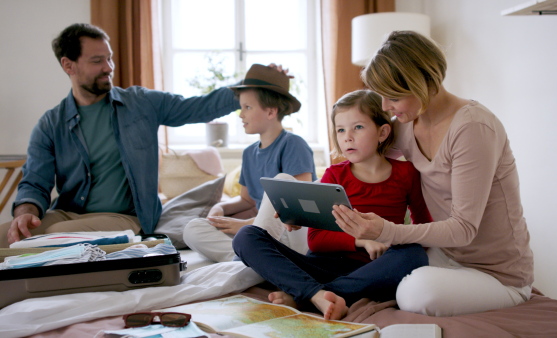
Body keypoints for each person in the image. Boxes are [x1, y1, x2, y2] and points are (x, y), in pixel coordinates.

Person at [333, 30, 535, 317]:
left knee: (414, 291)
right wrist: (306, 205)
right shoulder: (406, 124)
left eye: (393, 97)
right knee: (392, 262)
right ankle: (317, 292)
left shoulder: (473, 128)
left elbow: (464, 228)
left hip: (497, 274)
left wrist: (386, 231)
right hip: (444, 255)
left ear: (423, 82)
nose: (385, 107)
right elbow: (361, 163)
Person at [0, 22, 245, 248]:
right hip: (68, 213)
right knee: (9, 235)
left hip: (124, 217)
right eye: (97, 61)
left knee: (55, 235)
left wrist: (253, 85)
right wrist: (26, 213)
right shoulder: (51, 124)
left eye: (110, 58)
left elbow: (200, 107)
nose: (108, 68)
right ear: (68, 65)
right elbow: (35, 182)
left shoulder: (141, 104)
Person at [232, 89, 431, 320]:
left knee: (414, 254)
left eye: (358, 127)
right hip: (320, 267)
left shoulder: (406, 173)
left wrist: (389, 240)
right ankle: (316, 293)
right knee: (246, 236)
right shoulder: (334, 175)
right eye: (340, 130)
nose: (347, 136)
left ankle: (306, 296)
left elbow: (423, 227)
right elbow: (316, 241)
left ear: (382, 132)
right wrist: (362, 240)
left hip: (373, 270)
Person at [183, 64, 317, 262]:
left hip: (288, 231)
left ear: (271, 112)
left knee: (283, 180)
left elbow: (298, 209)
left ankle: (253, 259)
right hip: (259, 233)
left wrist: (248, 225)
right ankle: (255, 261)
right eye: (241, 107)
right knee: (192, 229)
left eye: (247, 107)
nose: (241, 115)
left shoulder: (293, 144)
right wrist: (221, 208)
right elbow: (247, 201)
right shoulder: (249, 153)